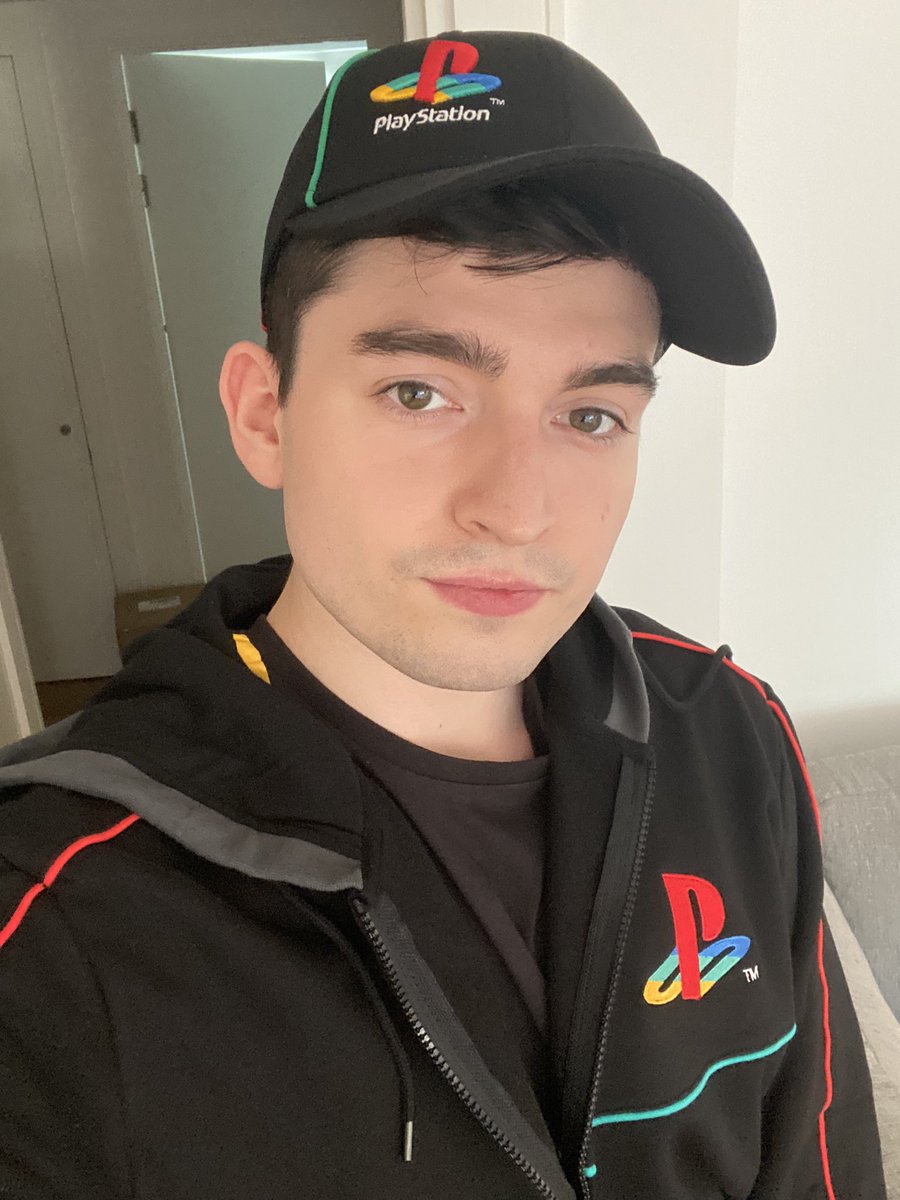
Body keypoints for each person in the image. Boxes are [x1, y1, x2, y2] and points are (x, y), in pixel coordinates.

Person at [0, 28, 886, 1200]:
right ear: (264, 414)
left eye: (590, 415)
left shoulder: (729, 738)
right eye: (419, 392)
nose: (515, 509)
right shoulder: (51, 912)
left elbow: (820, 1161)